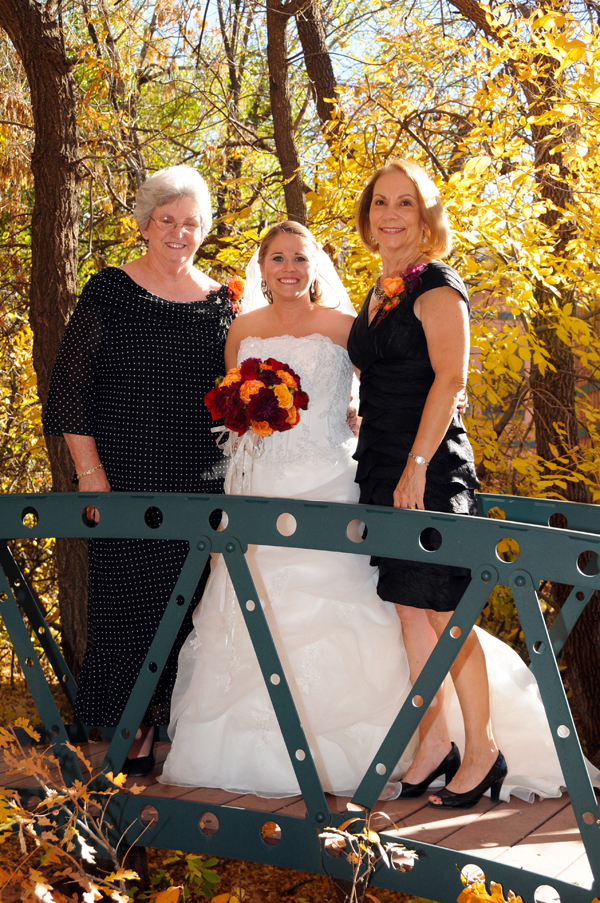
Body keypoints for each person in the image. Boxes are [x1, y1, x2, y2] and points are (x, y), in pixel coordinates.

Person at [160, 220, 568, 803]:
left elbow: (390, 385)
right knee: (262, 610)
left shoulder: (346, 329)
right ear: (261, 267)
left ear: (315, 265)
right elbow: (229, 405)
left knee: (399, 612)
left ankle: (434, 741)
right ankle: (267, 753)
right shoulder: (242, 330)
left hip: (330, 483)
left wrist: (378, 433)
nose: (289, 269)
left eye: (299, 258)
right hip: (259, 488)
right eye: (276, 258)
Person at [43, 164, 239, 775]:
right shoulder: (111, 289)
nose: (180, 233)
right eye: (168, 220)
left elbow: (256, 378)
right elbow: (70, 389)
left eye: (192, 223)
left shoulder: (221, 302)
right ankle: (131, 731)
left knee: (191, 610)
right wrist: (89, 474)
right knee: (129, 605)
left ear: (204, 229)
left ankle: (171, 732)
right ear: (146, 224)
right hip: (123, 476)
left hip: (202, 480)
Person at [347, 158, 504, 809]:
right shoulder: (383, 287)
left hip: (428, 468)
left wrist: (416, 466)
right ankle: (432, 743)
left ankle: (485, 748)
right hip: (383, 463)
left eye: (404, 203)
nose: (390, 214)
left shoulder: (437, 284)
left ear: (425, 214)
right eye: (380, 202)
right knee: (410, 609)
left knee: (445, 608)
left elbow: (450, 380)